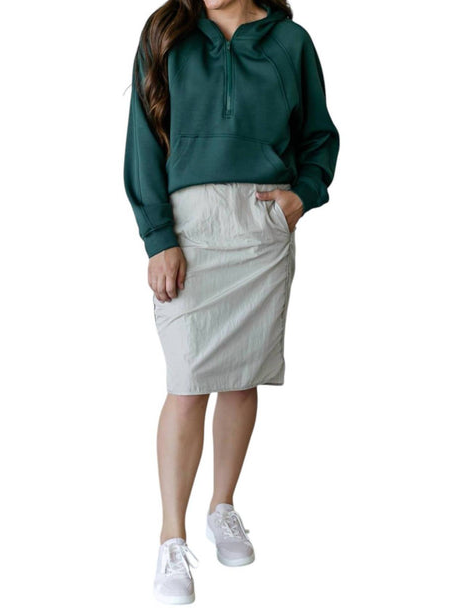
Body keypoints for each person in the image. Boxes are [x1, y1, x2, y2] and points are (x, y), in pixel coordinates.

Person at [123, 0, 339, 603]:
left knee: (243, 377)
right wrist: (158, 238)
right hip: (188, 225)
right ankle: (171, 536)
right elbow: (141, 139)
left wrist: (303, 194)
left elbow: (319, 135)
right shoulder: (167, 34)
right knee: (188, 382)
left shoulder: (291, 42)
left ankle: (223, 506)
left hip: (261, 224)